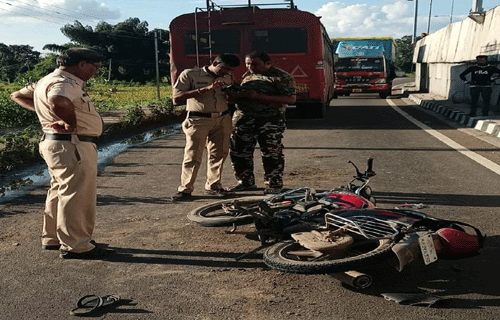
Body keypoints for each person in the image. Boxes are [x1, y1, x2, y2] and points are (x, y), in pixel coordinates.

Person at [10, 48, 114, 259]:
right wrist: (69, 121)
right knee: (77, 194)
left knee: (59, 190)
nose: (95, 72)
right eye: (95, 67)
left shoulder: (44, 80)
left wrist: (43, 112)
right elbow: (58, 101)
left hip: (55, 144)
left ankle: (53, 238)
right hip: (73, 144)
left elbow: (18, 95)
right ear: (82, 64)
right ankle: (76, 245)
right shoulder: (66, 82)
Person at [171, 54, 241, 201]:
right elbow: (177, 97)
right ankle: (185, 189)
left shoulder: (228, 77)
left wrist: (232, 92)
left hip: (222, 118)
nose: (226, 72)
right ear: (215, 62)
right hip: (198, 119)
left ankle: (214, 186)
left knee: (219, 154)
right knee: (192, 156)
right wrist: (206, 88)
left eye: (230, 70)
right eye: (224, 68)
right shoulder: (190, 74)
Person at [228, 51, 296, 194]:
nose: (251, 67)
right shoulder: (248, 75)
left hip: (269, 120)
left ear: (268, 63)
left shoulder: (281, 76)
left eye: (255, 64)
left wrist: (258, 96)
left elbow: (290, 99)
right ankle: (245, 181)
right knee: (239, 152)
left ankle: (274, 184)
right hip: (244, 119)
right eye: (248, 64)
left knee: (271, 153)